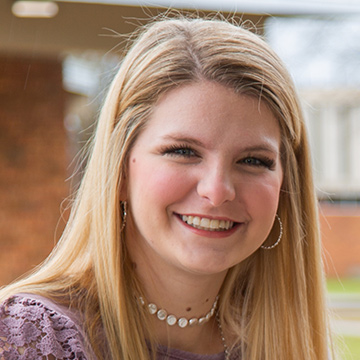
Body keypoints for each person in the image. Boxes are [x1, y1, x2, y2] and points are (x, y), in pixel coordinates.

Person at [0, 16, 333, 360]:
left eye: (253, 160)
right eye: (183, 152)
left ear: (285, 187)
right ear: (120, 172)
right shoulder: (29, 338)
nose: (217, 191)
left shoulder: (281, 345)